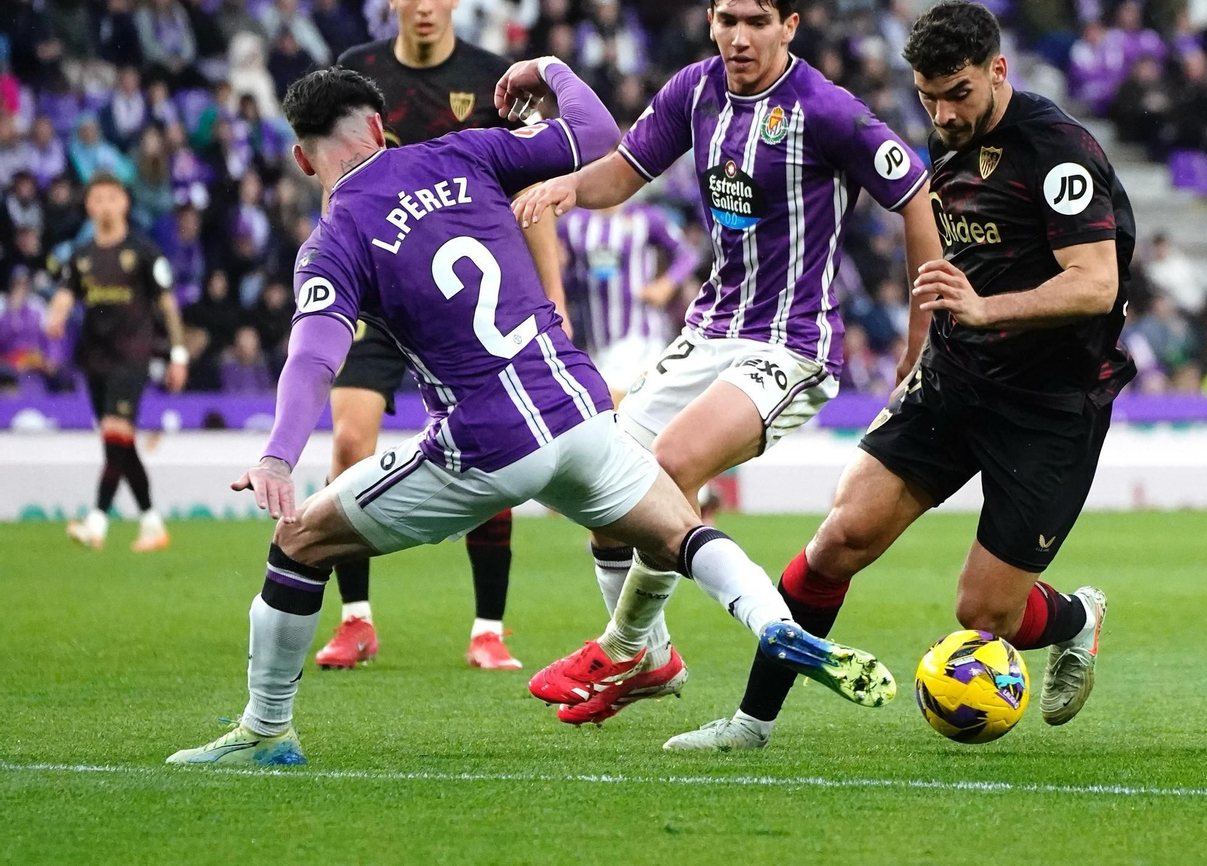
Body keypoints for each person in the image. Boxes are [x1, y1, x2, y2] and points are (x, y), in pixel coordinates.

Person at [165, 66, 892, 767]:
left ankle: (264, 731)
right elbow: (595, 129)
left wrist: (278, 456)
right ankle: (773, 625)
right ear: (382, 129)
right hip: (577, 408)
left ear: (301, 159)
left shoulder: (334, 241)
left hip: (486, 442)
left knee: (298, 544)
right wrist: (549, 66)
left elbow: (315, 358)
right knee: (681, 531)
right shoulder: (466, 148)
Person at [661, 0, 1135, 750]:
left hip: (1050, 404)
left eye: (959, 94)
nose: (943, 114)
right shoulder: (946, 139)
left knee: (984, 615)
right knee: (839, 541)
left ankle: (1076, 617)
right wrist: (928, 342)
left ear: (998, 71)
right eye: (928, 96)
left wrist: (984, 309)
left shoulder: (1057, 153)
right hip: (955, 379)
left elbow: (1095, 283)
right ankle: (751, 723)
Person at [507, 0, 940, 725]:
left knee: (668, 467)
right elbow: (624, 171)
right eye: (727, 18)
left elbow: (915, 193)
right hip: (707, 332)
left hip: (790, 345)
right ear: (710, 19)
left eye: (757, 22)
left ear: (791, 27)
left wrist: (921, 334)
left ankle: (625, 645)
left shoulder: (828, 110)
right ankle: (653, 655)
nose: (739, 37)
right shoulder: (695, 91)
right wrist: (566, 186)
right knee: (597, 489)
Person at [315, 0, 567, 673]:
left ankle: (489, 628)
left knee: (494, 453)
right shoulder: (355, 74)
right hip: (379, 293)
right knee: (350, 443)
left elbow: (534, 191)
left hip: (467, 296)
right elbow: (332, 186)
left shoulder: (494, 80)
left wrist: (552, 297)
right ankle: (356, 618)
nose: (424, 6)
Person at [45, 174, 189, 552]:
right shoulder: (81, 256)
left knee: (114, 432)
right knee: (118, 443)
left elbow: (168, 304)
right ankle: (152, 523)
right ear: (89, 206)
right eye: (98, 199)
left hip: (133, 355)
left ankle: (96, 522)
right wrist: (55, 316)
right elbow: (64, 293)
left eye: (112, 198)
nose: (106, 205)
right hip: (94, 358)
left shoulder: (143, 251)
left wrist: (177, 353)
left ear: (124, 203)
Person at [558, 200, 700, 398]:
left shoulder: (645, 217)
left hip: (639, 336)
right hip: (593, 342)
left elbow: (687, 254)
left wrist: (665, 285)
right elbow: (565, 273)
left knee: (615, 403)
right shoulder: (573, 223)